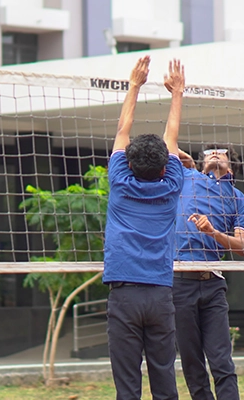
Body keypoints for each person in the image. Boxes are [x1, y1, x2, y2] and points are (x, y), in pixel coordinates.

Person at [104, 55, 186, 400]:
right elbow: (171, 139)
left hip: (125, 295)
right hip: (159, 295)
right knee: (165, 380)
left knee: (127, 387)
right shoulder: (173, 185)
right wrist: (177, 92)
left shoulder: (120, 184)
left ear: (130, 163)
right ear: (166, 167)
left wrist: (134, 84)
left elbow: (123, 129)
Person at [173, 144, 244, 400]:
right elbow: (169, 146)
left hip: (213, 284)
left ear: (232, 163)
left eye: (221, 151)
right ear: (200, 161)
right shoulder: (187, 177)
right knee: (192, 363)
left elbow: (242, 247)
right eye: (209, 152)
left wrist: (212, 233)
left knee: (222, 362)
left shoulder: (239, 199)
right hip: (179, 282)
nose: (215, 154)